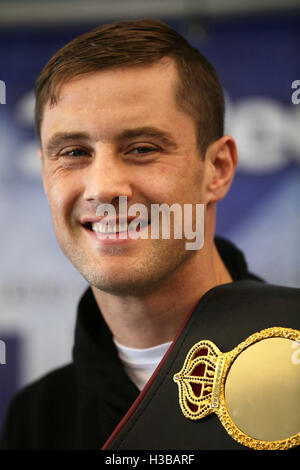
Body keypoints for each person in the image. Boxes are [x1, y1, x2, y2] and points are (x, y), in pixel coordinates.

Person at [0, 18, 299, 451]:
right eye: (74, 153)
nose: (102, 188)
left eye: (142, 148)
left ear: (217, 170)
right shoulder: (38, 415)